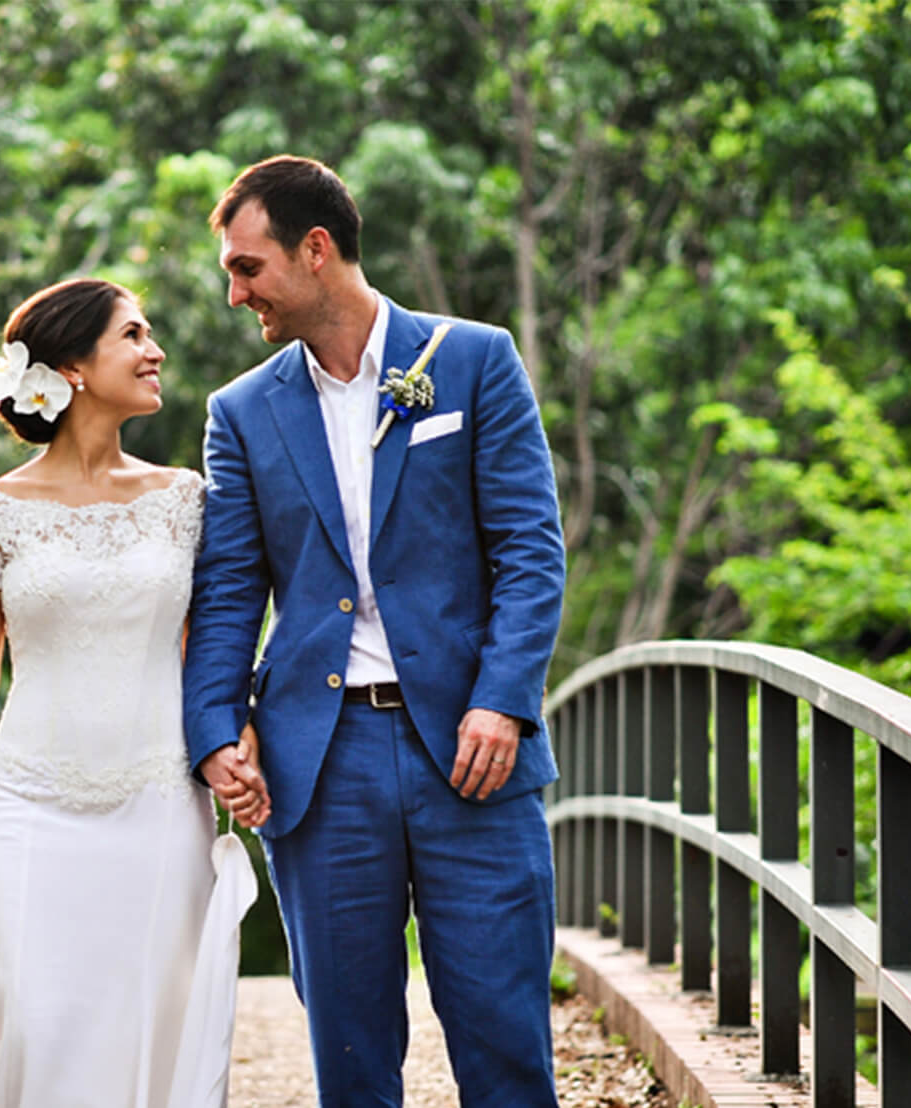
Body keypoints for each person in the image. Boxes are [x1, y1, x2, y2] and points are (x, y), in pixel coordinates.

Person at [183, 155, 566, 1108]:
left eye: (246, 267)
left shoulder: (475, 360)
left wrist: (503, 701)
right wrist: (214, 732)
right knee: (349, 1053)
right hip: (323, 761)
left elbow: (530, 550)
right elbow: (229, 590)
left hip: (473, 749)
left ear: (315, 251)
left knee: (504, 1032)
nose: (235, 294)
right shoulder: (239, 412)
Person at [0, 277, 256, 1108]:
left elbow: (208, 651)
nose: (156, 351)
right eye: (135, 335)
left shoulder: (184, 499)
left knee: (155, 1013)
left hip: (158, 801)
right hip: (32, 805)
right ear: (75, 366)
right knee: (46, 1020)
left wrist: (238, 738)